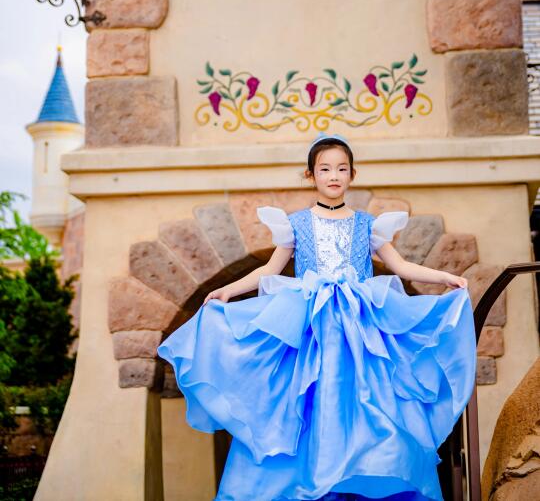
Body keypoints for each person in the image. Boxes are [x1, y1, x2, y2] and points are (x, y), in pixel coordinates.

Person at [157, 131, 477, 501]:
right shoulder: (295, 224)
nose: (334, 175)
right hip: (311, 328)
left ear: (353, 174)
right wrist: (230, 289)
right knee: (307, 400)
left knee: (369, 402)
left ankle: (365, 475)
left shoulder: (367, 225)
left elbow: (401, 266)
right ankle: (308, 481)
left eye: (342, 168)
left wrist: (445, 277)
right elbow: (270, 270)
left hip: (359, 330)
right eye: (325, 169)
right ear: (311, 175)